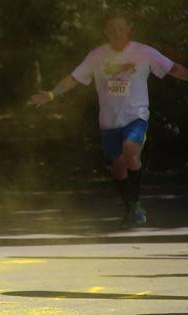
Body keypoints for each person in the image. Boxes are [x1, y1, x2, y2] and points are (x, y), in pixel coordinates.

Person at [30, 12, 188, 229]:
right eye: (112, 30)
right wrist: (51, 94)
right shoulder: (97, 56)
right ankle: (131, 209)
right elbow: (74, 78)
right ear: (106, 32)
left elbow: (173, 68)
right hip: (109, 121)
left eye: (120, 29)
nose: (116, 33)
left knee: (130, 151)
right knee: (118, 167)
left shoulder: (143, 52)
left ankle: (136, 203)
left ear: (128, 30)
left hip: (136, 116)